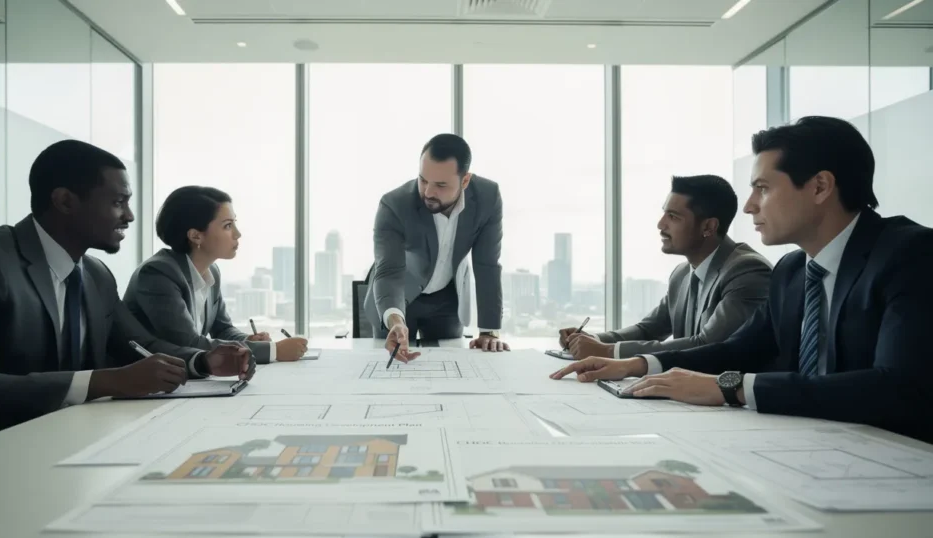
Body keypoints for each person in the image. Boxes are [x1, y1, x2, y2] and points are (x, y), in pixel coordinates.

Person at [550, 116, 933, 443]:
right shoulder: (793, 272)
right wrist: (640, 364)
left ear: (820, 187)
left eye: (762, 188)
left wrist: (730, 388)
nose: (749, 205)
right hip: (814, 451)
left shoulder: (911, 255)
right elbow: (737, 349)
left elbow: (897, 388)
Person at [0, 140, 253, 456]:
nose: (130, 216)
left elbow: (140, 343)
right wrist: (101, 381)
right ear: (65, 201)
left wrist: (203, 362)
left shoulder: (95, 275)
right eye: (118, 202)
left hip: (68, 450)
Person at [559, 175, 771, 359]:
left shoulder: (747, 271)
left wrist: (608, 351)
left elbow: (708, 346)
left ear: (708, 226)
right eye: (664, 214)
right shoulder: (682, 274)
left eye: (673, 217)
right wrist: (590, 339)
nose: (661, 224)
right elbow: (648, 330)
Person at [365, 133, 508, 362]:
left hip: (447, 299)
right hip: (397, 298)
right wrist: (395, 320)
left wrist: (489, 331)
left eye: (441, 185)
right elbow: (389, 271)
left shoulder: (487, 198)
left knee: (450, 368)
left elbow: (487, 265)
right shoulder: (394, 204)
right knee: (393, 367)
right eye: (423, 180)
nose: (429, 192)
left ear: (465, 181)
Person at [124, 186, 308, 362]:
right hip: (145, 380)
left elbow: (223, 330)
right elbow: (188, 343)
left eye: (234, 223)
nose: (238, 234)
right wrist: (273, 351)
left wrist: (249, 340)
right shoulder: (157, 274)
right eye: (228, 226)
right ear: (196, 236)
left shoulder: (211, 271)